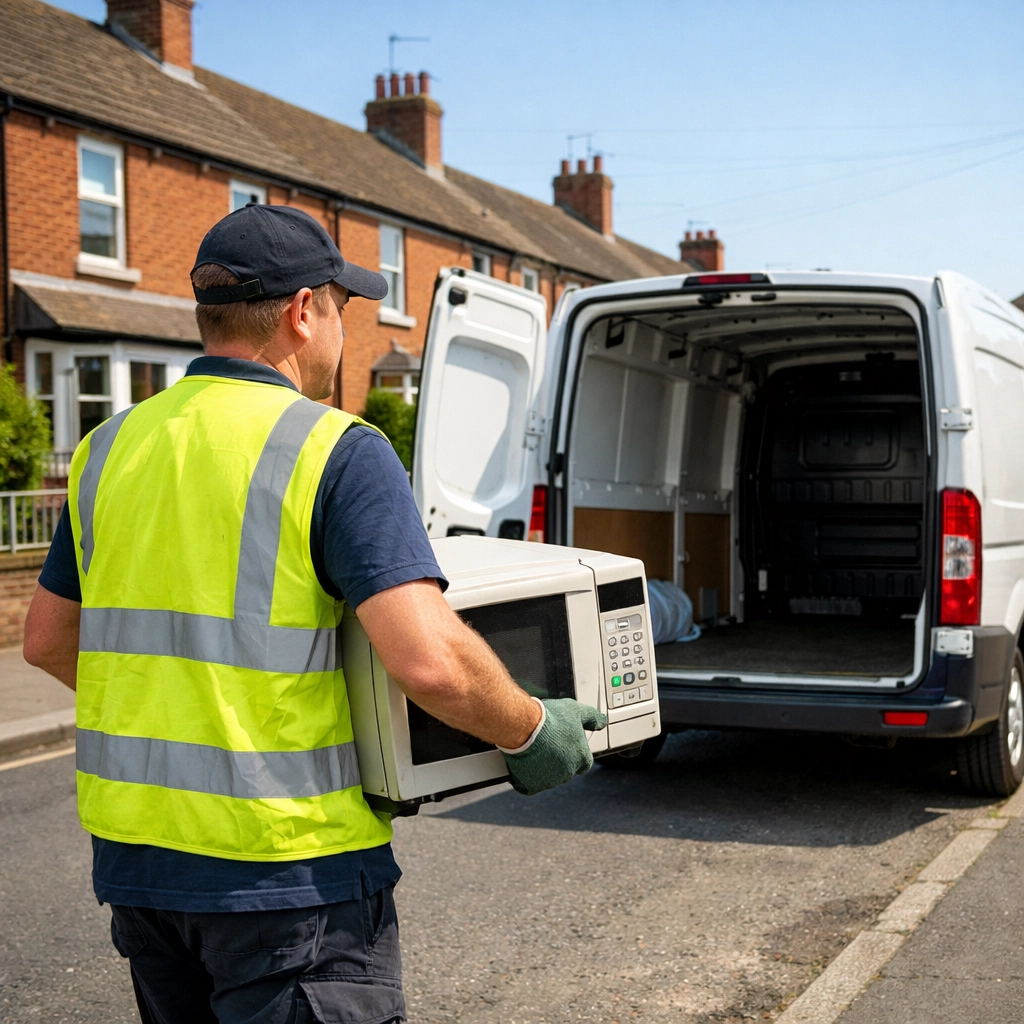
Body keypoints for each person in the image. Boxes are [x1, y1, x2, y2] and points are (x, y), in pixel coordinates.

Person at [22, 204, 606, 1024]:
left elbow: (47, 638)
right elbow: (429, 661)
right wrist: (530, 729)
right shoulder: (335, 448)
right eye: (341, 310)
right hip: (288, 879)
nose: (344, 334)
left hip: (140, 872)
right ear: (303, 312)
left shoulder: (107, 448)